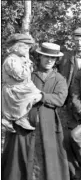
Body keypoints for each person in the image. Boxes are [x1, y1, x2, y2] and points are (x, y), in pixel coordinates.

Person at [2, 42, 70, 180]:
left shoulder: (59, 79)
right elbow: (13, 89)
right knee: (18, 157)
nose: (49, 60)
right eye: (46, 57)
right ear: (39, 57)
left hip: (48, 123)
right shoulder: (29, 74)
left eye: (52, 58)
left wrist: (42, 96)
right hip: (24, 120)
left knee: (48, 159)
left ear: (56, 60)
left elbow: (60, 99)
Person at [56, 27, 81, 179]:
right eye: (76, 40)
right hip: (67, 103)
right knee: (67, 137)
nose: (79, 43)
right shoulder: (65, 56)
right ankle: (72, 171)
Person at [1, 33, 42, 132]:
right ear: (15, 48)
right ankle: (8, 120)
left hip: (23, 86)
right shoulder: (11, 61)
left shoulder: (20, 58)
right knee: (31, 97)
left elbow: (30, 70)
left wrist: (27, 62)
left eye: (28, 48)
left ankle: (20, 118)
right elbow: (20, 76)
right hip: (15, 88)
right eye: (24, 48)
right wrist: (27, 65)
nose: (27, 50)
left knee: (37, 95)